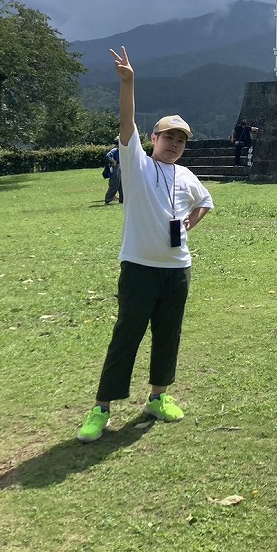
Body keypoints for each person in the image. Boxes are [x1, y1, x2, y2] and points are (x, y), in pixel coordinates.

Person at [77, 46, 213, 443]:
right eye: (168, 137)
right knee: (127, 335)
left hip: (177, 269)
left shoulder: (186, 175)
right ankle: (101, 407)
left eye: (181, 140)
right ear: (153, 138)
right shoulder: (136, 164)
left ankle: (157, 396)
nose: (174, 144)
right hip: (138, 266)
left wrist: (192, 222)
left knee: (168, 333)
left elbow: (206, 202)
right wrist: (128, 82)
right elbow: (126, 122)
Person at [103, 137, 123, 205]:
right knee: (114, 185)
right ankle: (107, 200)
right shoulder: (114, 150)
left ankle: (122, 200)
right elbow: (108, 156)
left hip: (122, 168)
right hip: (115, 168)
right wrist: (114, 161)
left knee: (122, 185)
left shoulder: (123, 150)